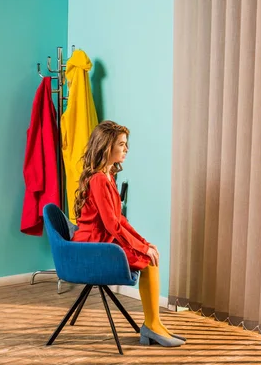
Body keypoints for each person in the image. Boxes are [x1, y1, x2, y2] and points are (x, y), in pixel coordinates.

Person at [71, 120, 186, 347]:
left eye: (126, 144)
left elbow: (120, 219)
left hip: (102, 241)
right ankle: (152, 326)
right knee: (148, 260)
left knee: (149, 254)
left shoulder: (107, 176)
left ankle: (155, 325)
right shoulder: (99, 180)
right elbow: (113, 225)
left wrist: (144, 242)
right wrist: (142, 248)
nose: (126, 149)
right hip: (93, 246)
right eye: (121, 144)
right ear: (107, 146)